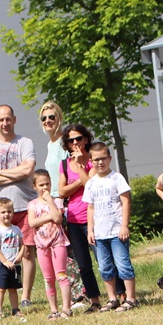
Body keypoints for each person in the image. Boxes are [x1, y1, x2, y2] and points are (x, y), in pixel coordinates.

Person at [0, 104, 37, 313]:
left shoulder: (25, 142)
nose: (5, 123)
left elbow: (28, 169)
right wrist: (16, 171)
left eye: (8, 119)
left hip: (26, 206)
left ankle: (26, 297)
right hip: (0, 210)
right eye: (1, 119)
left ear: (14, 119)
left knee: (28, 252)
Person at [83, 142, 138, 312]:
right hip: (100, 234)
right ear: (91, 161)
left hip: (116, 232)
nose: (100, 162)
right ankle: (112, 298)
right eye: (96, 159)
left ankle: (131, 298)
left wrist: (124, 225)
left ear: (109, 159)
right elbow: (90, 207)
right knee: (105, 267)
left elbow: (126, 201)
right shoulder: (91, 183)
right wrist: (90, 230)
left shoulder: (116, 178)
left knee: (123, 265)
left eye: (103, 158)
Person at [58, 124, 106, 312]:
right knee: (84, 264)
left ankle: (119, 295)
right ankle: (94, 301)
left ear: (86, 139)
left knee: (103, 259)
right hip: (74, 220)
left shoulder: (93, 160)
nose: (75, 143)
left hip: (94, 216)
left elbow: (91, 186)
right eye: (71, 140)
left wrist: (79, 167)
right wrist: (80, 180)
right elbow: (62, 191)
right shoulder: (64, 164)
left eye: (79, 138)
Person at [27, 170, 73, 319]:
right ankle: (53, 309)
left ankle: (66, 308)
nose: (44, 187)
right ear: (34, 186)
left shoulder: (57, 201)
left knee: (61, 275)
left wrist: (50, 202)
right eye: (41, 185)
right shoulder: (32, 204)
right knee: (48, 279)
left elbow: (58, 218)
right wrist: (49, 217)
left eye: (47, 183)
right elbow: (32, 222)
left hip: (57, 243)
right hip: (42, 246)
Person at [0, 197, 26, 319]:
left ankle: (15, 309)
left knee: (13, 288)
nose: (6, 214)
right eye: (3, 212)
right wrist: (4, 261)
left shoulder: (16, 229)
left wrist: (20, 255)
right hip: (1, 264)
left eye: (9, 211)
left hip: (14, 264)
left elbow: (22, 244)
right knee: (0, 288)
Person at [38, 101, 68, 196]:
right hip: (52, 197)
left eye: (51, 117)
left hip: (64, 198)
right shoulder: (50, 145)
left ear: (59, 118)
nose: (47, 121)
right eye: (44, 118)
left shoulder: (65, 143)